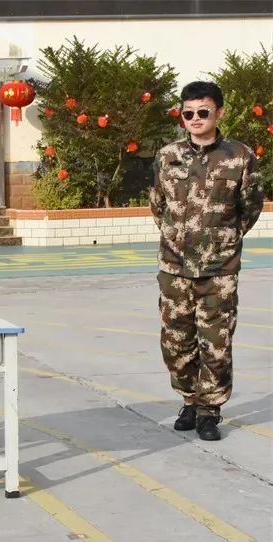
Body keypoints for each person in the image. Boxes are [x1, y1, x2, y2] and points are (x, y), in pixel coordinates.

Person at [150, 81, 264, 441]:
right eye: (188, 113)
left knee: (216, 343)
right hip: (174, 267)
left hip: (219, 270)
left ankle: (208, 411)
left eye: (203, 111)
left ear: (219, 112)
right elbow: (158, 205)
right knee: (176, 344)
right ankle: (189, 399)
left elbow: (250, 208)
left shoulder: (240, 156)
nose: (195, 118)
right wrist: (177, 238)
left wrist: (222, 241)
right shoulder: (167, 156)